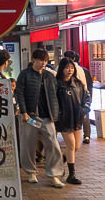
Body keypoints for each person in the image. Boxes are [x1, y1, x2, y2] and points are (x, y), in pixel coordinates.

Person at [15, 49, 66, 188]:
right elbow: (19, 93)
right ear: (33, 60)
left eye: (45, 61)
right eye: (41, 60)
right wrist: (24, 112)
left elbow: (54, 96)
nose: (43, 63)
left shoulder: (49, 76)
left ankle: (54, 174)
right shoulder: (24, 75)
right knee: (28, 145)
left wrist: (55, 114)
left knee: (53, 145)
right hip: (30, 116)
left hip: (46, 116)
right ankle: (31, 172)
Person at [55, 58, 91, 185]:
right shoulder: (57, 84)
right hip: (64, 119)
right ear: (62, 69)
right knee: (71, 145)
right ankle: (71, 175)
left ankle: (62, 160)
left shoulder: (78, 83)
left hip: (77, 118)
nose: (69, 70)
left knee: (77, 146)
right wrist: (57, 116)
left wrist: (84, 110)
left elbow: (87, 97)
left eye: (71, 68)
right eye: (66, 68)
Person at [64, 50, 94, 143]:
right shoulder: (83, 70)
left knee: (79, 115)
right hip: (81, 96)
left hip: (74, 96)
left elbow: (85, 84)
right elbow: (88, 84)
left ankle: (75, 134)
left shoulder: (65, 68)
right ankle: (87, 136)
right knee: (84, 116)